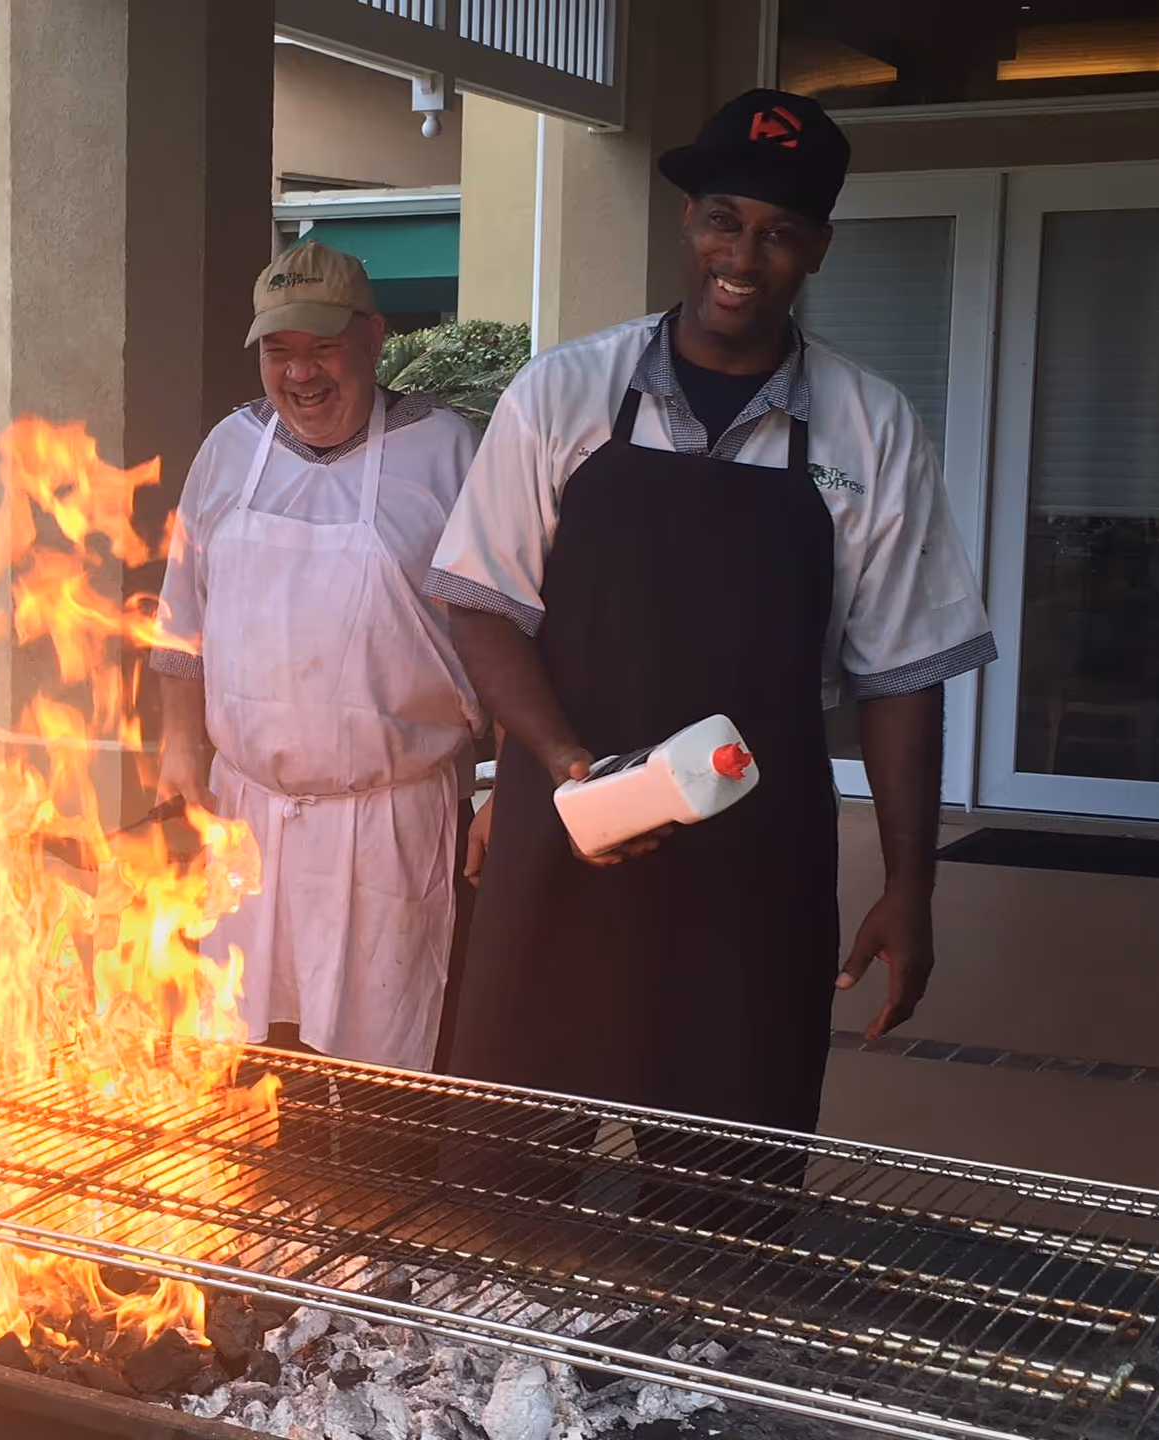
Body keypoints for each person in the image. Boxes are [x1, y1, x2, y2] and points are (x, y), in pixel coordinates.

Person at [426, 89, 996, 1138]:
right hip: (571, 828)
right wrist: (566, 770)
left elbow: (903, 675)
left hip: (755, 861)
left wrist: (912, 886)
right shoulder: (564, 395)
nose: (746, 252)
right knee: (507, 1166)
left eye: (781, 232)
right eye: (726, 218)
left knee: (725, 1189)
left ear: (818, 249)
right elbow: (482, 608)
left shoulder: (870, 430)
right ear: (688, 223)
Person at [152, 240, 482, 1073]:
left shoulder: (449, 453)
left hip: (393, 820)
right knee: (256, 1065)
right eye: (279, 350)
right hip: (247, 815)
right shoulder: (230, 449)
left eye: (323, 347)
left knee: (390, 1079)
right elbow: (182, 612)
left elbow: (505, 633)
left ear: (374, 337)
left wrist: (507, 786)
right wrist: (180, 741)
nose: (300, 374)